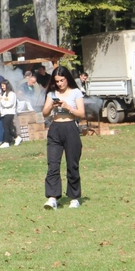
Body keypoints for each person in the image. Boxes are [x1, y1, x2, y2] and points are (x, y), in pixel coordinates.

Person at [41, 67, 85, 210]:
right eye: (57, 81)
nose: (60, 84)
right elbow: (45, 113)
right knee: (53, 164)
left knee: (72, 164)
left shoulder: (76, 92)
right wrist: (51, 105)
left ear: (67, 78)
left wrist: (68, 107)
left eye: (62, 80)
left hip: (70, 128)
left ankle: (74, 197)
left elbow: (81, 113)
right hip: (55, 129)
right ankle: (52, 198)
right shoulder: (52, 93)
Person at [0, 80, 19, 148]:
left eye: (3, 85)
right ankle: (17, 137)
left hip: (10, 112)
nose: (2, 87)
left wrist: (2, 100)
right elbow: (0, 104)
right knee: (9, 127)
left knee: (6, 127)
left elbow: (10, 104)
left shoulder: (12, 94)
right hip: (3, 113)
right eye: (1, 86)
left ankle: (6, 142)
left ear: (7, 85)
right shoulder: (3, 94)